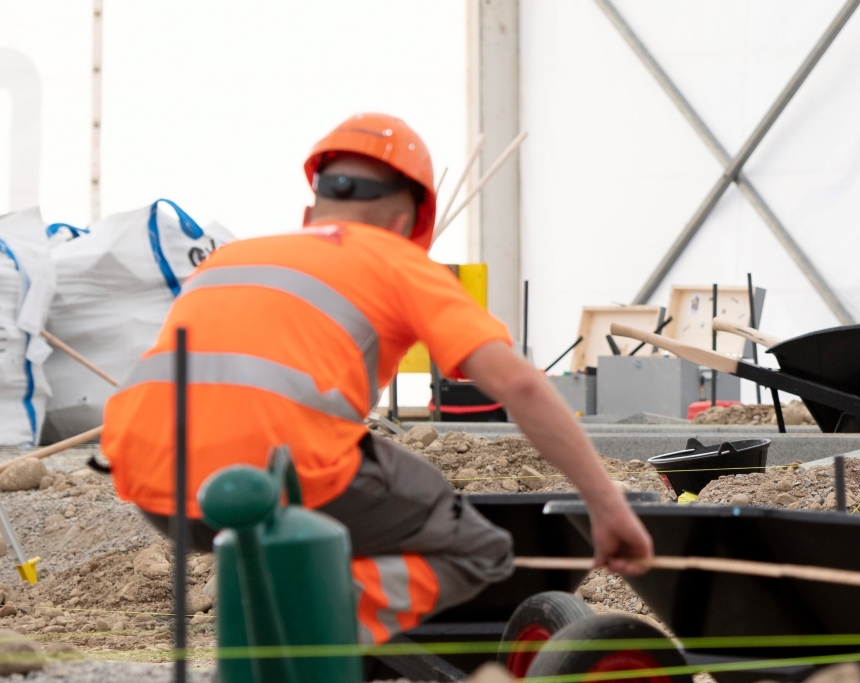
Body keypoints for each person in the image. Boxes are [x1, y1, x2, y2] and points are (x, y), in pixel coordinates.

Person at [102, 113, 653, 643]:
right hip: (283, 476)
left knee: (353, 506)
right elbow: (520, 385)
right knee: (476, 548)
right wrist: (608, 506)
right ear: (406, 221)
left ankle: (281, 629)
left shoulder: (230, 258)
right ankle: (300, 635)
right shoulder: (394, 259)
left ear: (314, 204)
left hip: (156, 485)